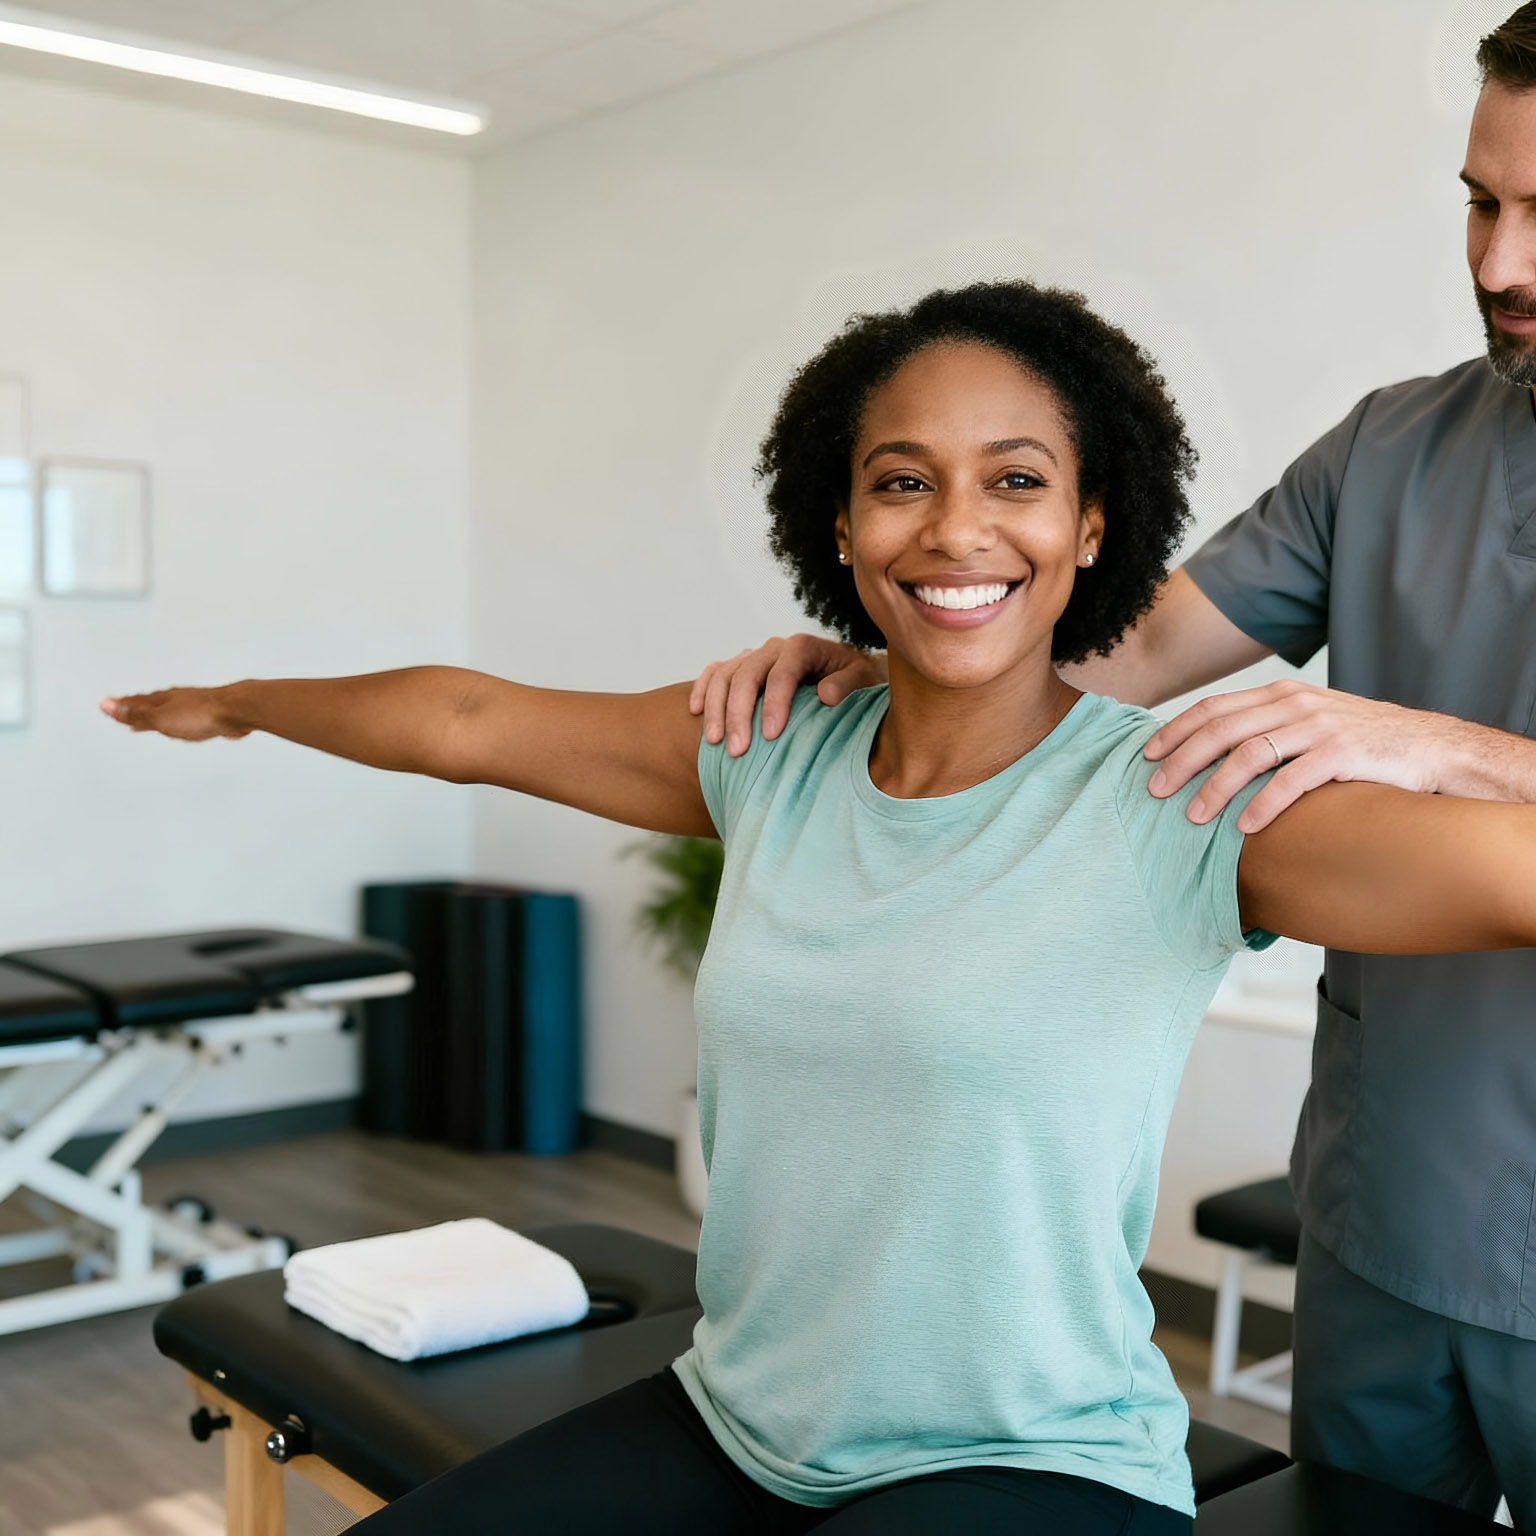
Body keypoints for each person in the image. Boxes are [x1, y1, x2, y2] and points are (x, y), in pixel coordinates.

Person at [106, 282, 1536, 1535]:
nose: (958, 529)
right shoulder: (770, 753)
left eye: (1018, 482)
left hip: (1030, 1464)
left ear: (1096, 526)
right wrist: (239, 702)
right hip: (739, 1421)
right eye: (903, 482)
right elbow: (468, 718)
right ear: (841, 529)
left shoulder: (1184, 802)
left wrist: (1460, 750)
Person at [691, 9, 1536, 1527]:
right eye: (1482, 202)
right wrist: (896, 645)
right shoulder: (1394, 450)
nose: (1499, 267)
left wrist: (1452, 749)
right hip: (1390, 1204)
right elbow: (1107, 658)